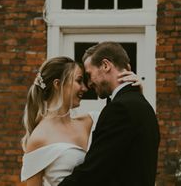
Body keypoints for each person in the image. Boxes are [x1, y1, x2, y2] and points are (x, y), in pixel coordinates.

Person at [20, 55, 142, 186]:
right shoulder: (38, 139)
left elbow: (132, 133)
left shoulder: (94, 120)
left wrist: (134, 96)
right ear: (58, 84)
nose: (85, 88)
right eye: (79, 81)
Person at [59, 42, 160, 186]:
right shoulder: (141, 105)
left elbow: (93, 171)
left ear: (106, 65)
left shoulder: (120, 109)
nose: (88, 84)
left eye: (89, 74)